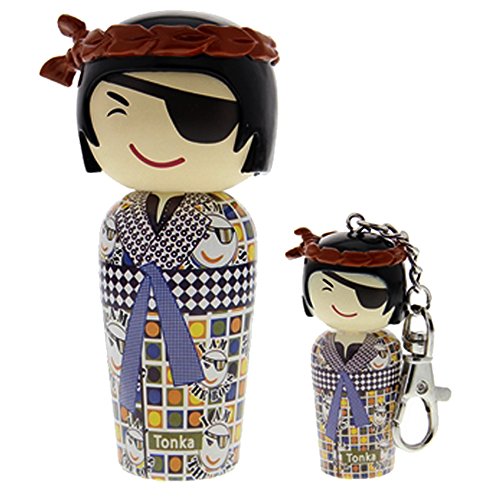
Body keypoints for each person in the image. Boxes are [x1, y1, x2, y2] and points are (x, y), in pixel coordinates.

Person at [41, 11, 278, 480]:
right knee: (135, 401)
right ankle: (139, 452)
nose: (155, 138)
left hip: (209, 357)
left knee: (211, 390)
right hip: (134, 358)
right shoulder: (119, 219)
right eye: (117, 113)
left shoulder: (229, 222)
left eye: (200, 118)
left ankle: (208, 453)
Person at [286, 226, 406, 478]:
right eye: (325, 289)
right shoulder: (321, 347)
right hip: (332, 432)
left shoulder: (387, 348)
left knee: (373, 449)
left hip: (376, 433)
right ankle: (334, 462)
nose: (343, 304)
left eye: (368, 296)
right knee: (333, 448)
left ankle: (371, 462)